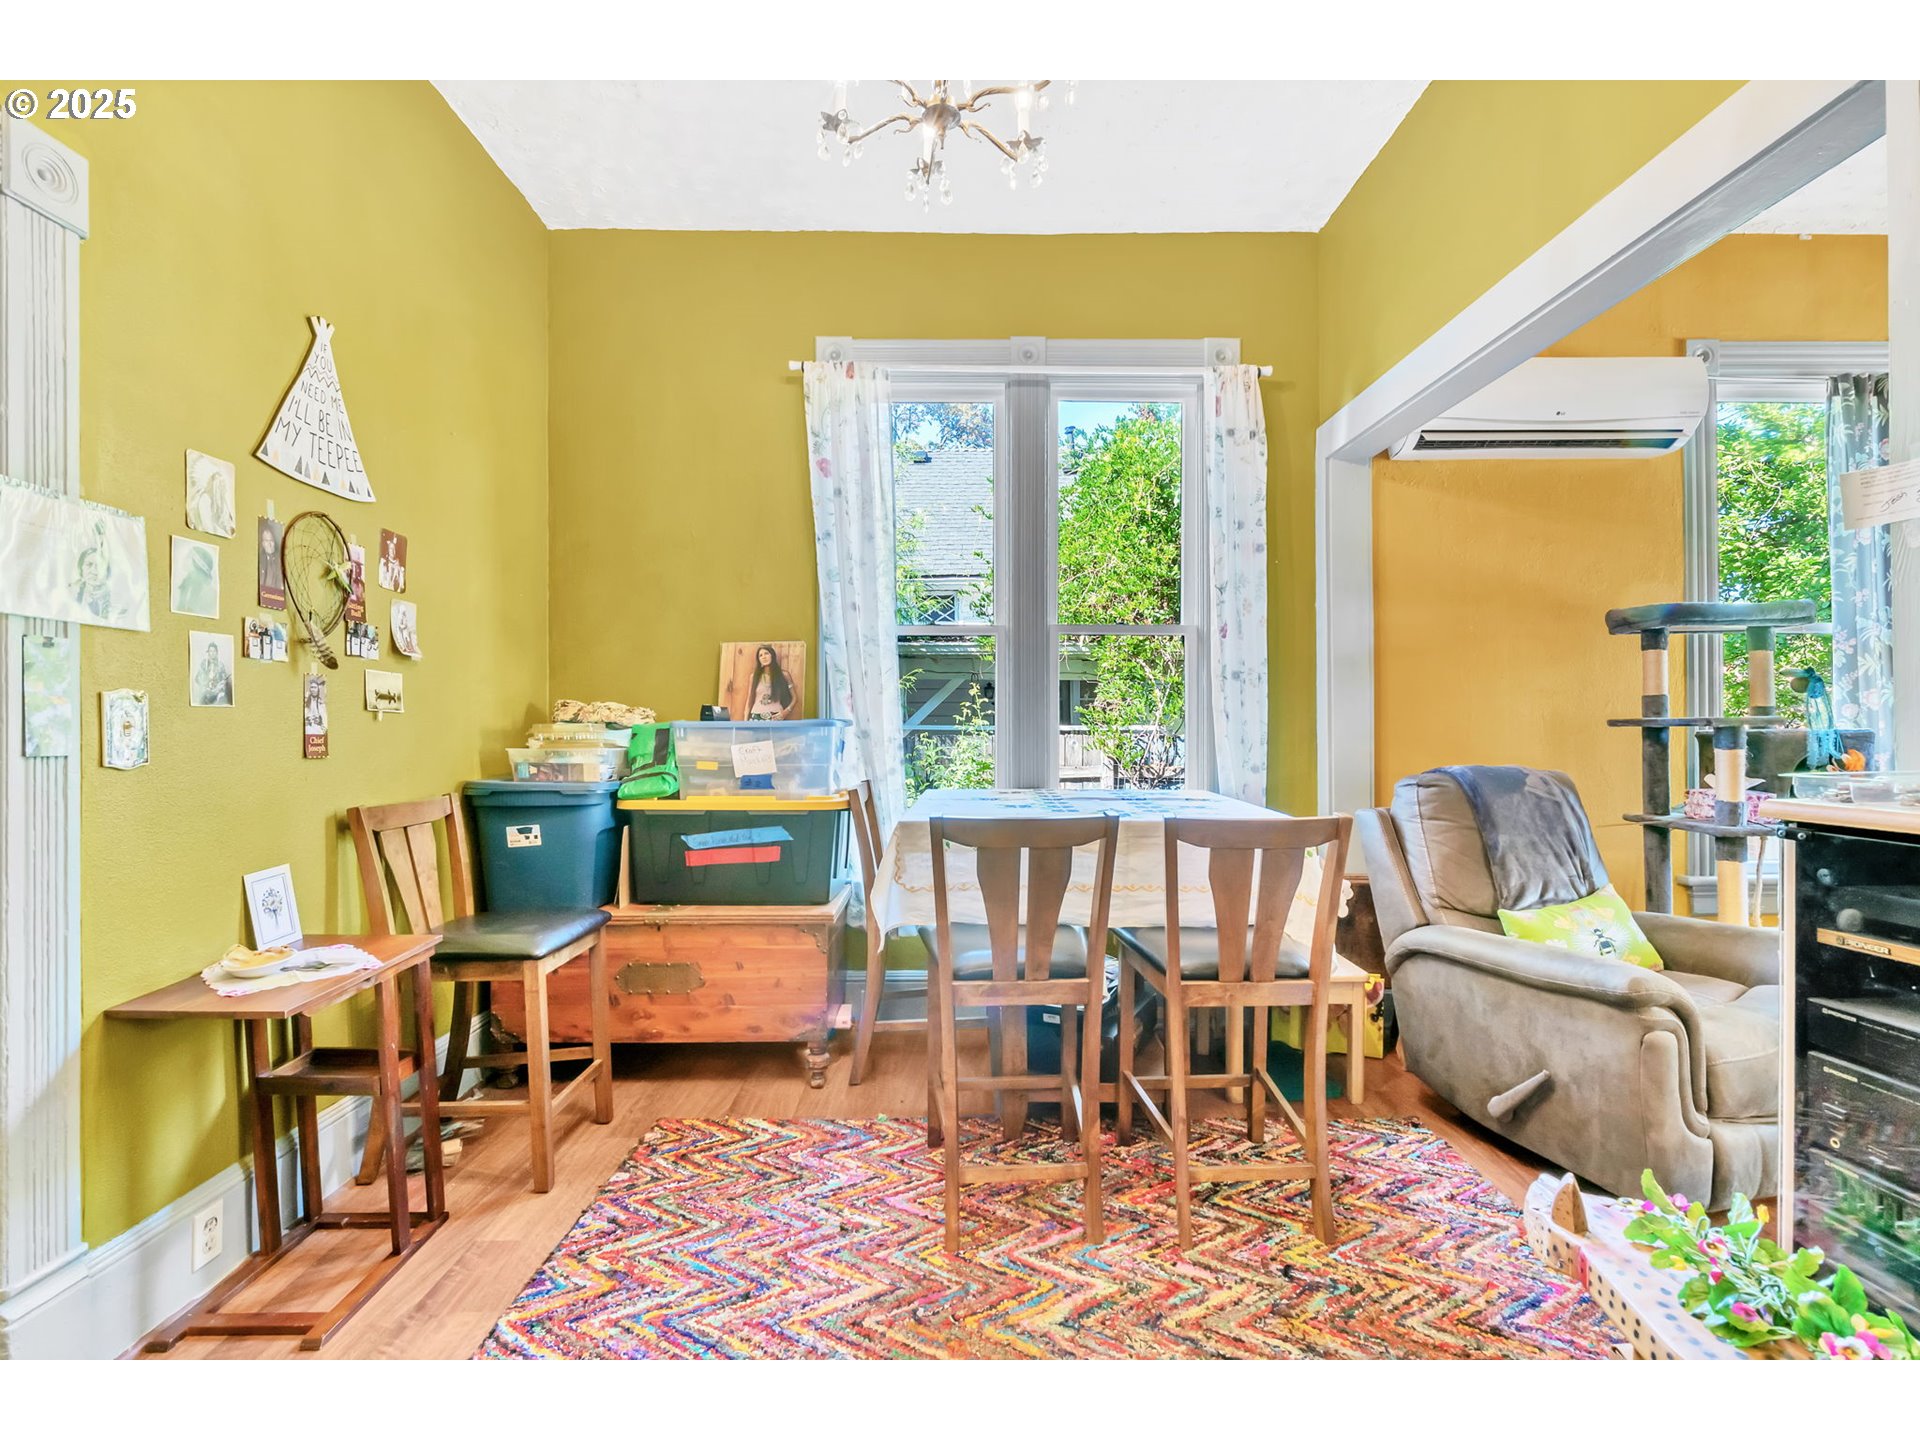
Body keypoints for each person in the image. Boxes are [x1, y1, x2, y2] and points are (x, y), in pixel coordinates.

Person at [746, 644, 795, 721]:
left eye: (766, 653)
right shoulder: (754, 677)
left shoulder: (784, 675)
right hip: (756, 716)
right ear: (759, 660)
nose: (764, 657)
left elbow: (795, 698)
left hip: (776, 716)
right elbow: (749, 701)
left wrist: (786, 712)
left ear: (772, 655)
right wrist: (745, 721)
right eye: (760, 655)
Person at [193, 640, 232, 706]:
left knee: (222, 699)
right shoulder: (204, 664)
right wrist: (205, 685)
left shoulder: (220, 665)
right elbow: (197, 679)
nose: (212, 653)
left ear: (217, 652)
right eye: (210, 651)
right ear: (208, 653)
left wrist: (220, 685)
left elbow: (224, 680)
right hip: (206, 692)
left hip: (217, 693)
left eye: (214, 651)